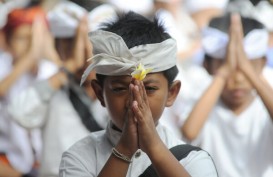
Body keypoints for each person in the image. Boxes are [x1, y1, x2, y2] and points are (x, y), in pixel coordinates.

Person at [59, 11, 218, 177]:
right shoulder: (80, 157)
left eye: (149, 89)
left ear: (171, 93)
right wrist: (124, 150)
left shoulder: (192, 160)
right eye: (120, 89)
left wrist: (154, 147)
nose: (134, 102)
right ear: (100, 93)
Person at [8, 1, 109, 177]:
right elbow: (19, 113)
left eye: (92, 43)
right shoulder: (53, 86)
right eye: (71, 42)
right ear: (57, 48)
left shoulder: (117, 89)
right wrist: (67, 70)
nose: (84, 49)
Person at [181, 13, 273, 177]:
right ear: (207, 65)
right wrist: (222, 75)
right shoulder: (201, 93)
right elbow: (190, 132)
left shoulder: (267, 95)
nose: (238, 78)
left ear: (263, 64)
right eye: (227, 65)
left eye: (246, 67)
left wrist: (251, 72)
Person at [0, 5, 57, 177]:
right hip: (9, 160)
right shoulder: (3, 64)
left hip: (43, 163)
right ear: (8, 41)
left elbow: (74, 85)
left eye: (34, 39)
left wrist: (47, 52)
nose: (31, 45)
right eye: (22, 38)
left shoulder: (50, 69)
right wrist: (30, 56)